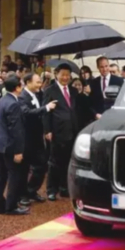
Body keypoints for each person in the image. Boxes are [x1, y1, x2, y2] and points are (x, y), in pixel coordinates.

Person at [43, 63, 80, 201]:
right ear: (56, 74)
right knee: (54, 162)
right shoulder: (49, 90)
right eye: (62, 74)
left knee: (68, 161)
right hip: (56, 131)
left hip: (72, 131)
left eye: (67, 75)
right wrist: (47, 130)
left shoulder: (74, 91)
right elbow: (45, 112)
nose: (65, 77)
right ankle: (51, 189)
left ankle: (64, 188)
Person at [19, 73, 57, 205]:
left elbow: (47, 92)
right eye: (37, 82)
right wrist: (46, 108)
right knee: (24, 168)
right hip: (26, 138)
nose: (39, 85)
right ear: (28, 82)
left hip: (37, 137)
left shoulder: (38, 94)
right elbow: (26, 113)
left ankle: (32, 190)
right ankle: (22, 194)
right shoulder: (22, 97)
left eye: (40, 82)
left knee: (41, 165)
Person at [0, 75, 27, 215]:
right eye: (21, 84)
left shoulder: (2, 100)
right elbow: (16, 129)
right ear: (17, 87)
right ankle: (11, 206)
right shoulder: (14, 104)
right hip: (9, 145)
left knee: (0, 177)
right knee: (14, 175)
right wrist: (18, 151)